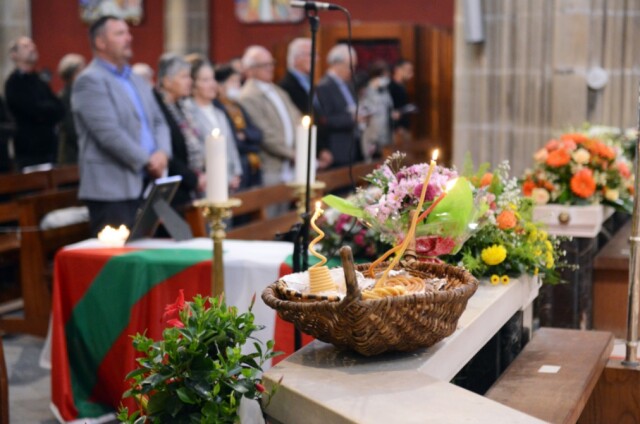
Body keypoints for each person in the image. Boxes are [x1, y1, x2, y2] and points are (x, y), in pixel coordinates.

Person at [72, 16, 171, 236]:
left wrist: (162, 153)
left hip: (147, 182)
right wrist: (147, 161)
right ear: (100, 42)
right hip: (111, 189)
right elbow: (108, 134)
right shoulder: (89, 81)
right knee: (116, 264)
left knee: (146, 257)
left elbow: (159, 121)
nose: (129, 38)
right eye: (120, 33)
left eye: (128, 32)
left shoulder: (136, 79)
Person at [238, 45, 300, 187]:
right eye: (264, 65)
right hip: (271, 166)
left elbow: (297, 118)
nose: (270, 68)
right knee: (273, 208)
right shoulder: (248, 96)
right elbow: (264, 133)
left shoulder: (279, 91)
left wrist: (300, 149)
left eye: (271, 63)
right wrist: (292, 154)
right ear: (250, 69)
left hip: (291, 164)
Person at [153, 53, 205, 210]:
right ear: (167, 81)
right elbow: (168, 151)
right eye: (184, 77)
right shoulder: (157, 106)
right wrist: (193, 179)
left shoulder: (181, 106)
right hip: (172, 190)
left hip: (188, 186)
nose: (190, 82)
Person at [4, 36, 65, 169]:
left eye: (33, 45)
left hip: (49, 147)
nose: (32, 48)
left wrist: (45, 109)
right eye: (26, 46)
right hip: (29, 151)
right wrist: (47, 109)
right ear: (14, 55)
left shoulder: (39, 80)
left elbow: (59, 108)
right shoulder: (13, 83)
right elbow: (30, 109)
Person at [185, 58, 243, 194]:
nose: (212, 85)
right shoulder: (188, 113)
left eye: (212, 79)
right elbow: (198, 150)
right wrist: (224, 178)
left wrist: (236, 173)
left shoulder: (219, 112)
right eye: (205, 80)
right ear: (193, 84)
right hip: (207, 185)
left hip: (229, 185)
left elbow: (231, 146)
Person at [314, 44, 362, 169]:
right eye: (349, 66)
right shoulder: (324, 86)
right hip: (337, 149)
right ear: (336, 64)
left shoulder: (349, 85)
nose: (352, 70)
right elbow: (325, 119)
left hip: (353, 145)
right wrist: (352, 119)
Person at [215, 64, 263, 189]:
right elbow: (233, 141)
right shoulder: (218, 108)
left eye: (238, 81)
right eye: (232, 81)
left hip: (251, 165)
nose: (237, 85)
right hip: (238, 165)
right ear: (220, 86)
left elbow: (257, 133)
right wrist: (251, 144)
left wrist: (245, 135)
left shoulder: (238, 106)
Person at [360, 60, 394, 161]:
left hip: (385, 132)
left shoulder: (384, 90)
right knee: (371, 162)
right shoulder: (367, 90)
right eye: (383, 75)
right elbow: (365, 109)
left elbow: (389, 105)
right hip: (372, 131)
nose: (385, 78)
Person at [57, 53, 86, 164]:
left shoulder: (81, 94)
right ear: (74, 73)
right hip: (72, 156)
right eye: (83, 69)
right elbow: (71, 128)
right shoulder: (65, 97)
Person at [279, 37, 312, 115]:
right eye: (310, 55)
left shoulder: (310, 81)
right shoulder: (285, 86)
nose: (315, 59)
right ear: (297, 58)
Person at [388, 58, 414, 139]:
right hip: (396, 130)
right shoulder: (391, 87)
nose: (411, 74)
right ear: (397, 70)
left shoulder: (402, 86)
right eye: (408, 70)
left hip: (404, 128)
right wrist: (397, 127)